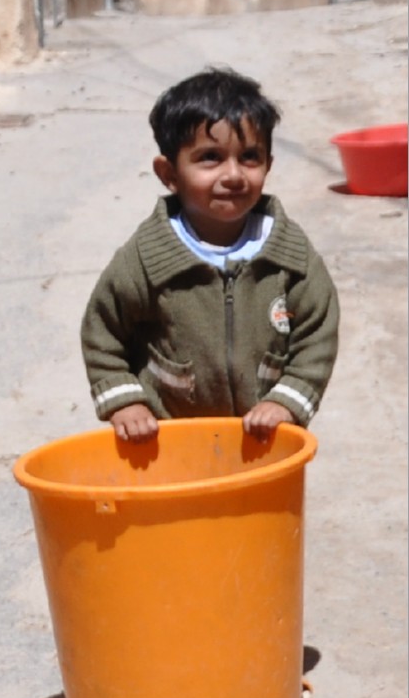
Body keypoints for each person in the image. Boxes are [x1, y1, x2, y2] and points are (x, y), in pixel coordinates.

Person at [80, 66, 339, 443]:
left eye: (249, 157)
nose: (233, 174)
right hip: (170, 442)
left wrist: (286, 402)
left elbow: (317, 335)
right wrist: (126, 401)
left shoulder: (289, 258)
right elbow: (103, 330)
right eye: (210, 158)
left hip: (259, 441)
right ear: (169, 173)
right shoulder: (148, 259)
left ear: (268, 164)